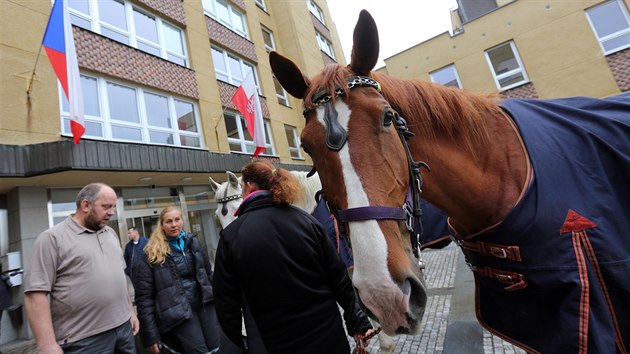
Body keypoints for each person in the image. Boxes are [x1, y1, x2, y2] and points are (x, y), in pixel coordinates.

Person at [214, 160, 373, 354]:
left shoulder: (231, 236)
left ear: (249, 186)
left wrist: (241, 343)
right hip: (327, 338)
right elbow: (339, 278)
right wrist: (356, 321)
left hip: (271, 343)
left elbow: (226, 305)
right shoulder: (307, 222)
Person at [23, 182, 139, 354]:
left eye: (113, 207)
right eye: (106, 206)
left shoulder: (111, 234)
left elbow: (119, 279)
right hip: (83, 340)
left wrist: (130, 311)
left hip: (123, 329)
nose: (112, 212)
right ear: (86, 205)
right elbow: (35, 294)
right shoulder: (52, 239)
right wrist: (46, 344)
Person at [132, 206, 221, 354]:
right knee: (199, 351)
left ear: (182, 220)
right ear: (162, 225)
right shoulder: (151, 253)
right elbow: (144, 299)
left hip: (205, 305)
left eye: (177, 220)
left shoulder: (193, 242)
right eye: (169, 221)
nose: (174, 225)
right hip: (178, 313)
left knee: (217, 348)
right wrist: (150, 335)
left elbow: (208, 275)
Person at [124, 226, 148, 303]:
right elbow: (126, 258)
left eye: (130, 233)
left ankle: (146, 300)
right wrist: (127, 270)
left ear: (136, 232)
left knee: (146, 287)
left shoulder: (146, 242)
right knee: (137, 288)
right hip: (133, 272)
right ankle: (139, 300)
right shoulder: (128, 246)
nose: (128, 235)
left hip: (145, 271)